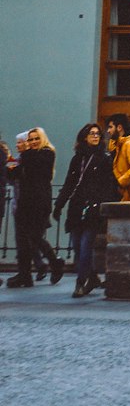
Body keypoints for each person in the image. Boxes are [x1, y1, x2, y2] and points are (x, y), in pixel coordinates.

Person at [53, 122, 118, 298]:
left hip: (92, 207)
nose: (96, 136)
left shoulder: (104, 158)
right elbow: (69, 183)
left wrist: (100, 204)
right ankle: (93, 277)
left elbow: (108, 185)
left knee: (85, 246)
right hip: (76, 206)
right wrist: (59, 205)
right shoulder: (78, 159)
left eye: (98, 134)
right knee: (77, 246)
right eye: (92, 134)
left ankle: (80, 283)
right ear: (84, 137)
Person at [7, 127, 64, 288]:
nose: (33, 142)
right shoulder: (27, 156)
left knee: (35, 237)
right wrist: (11, 166)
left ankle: (54, 262)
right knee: (23, 241)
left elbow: (34, 166)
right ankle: (24, 275)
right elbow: (13, 175)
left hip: (39, 203)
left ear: (42, 139)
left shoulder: (46, 153)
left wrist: (21, 157)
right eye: (30, 139)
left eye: (35, 138)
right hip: (25, 203)